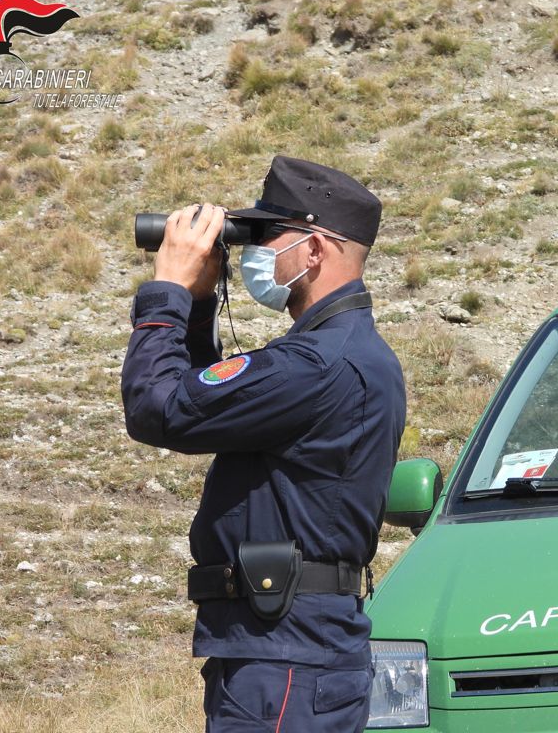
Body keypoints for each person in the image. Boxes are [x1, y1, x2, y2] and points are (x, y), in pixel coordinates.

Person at [121, 155, 406, 732]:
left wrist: (168, 289)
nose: (255, 252)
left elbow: (158, 410)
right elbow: (204, 409)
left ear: (316, 250)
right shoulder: (344, 353)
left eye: (269, 237)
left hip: (285, 655)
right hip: (290, 646)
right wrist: (203, 305)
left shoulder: (313, 366)